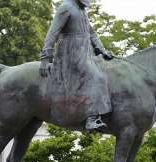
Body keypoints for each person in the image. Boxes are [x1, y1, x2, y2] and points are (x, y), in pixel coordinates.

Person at [39, 0, 113, 132]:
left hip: (85, 53)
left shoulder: (81, 10)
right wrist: (46, 57)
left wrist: (102, 50)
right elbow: (52, 33)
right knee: (96, 77)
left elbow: (92, 33)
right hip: (69, 54)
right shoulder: (66, 7)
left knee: (105, 70)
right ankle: (92, 118)